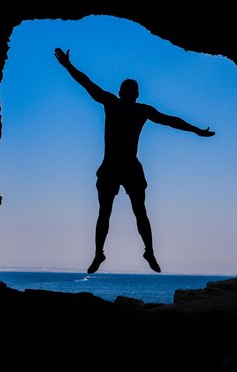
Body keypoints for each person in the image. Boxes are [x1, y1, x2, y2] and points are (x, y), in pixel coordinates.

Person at [54, 48, 215, 274]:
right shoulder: (127, 106)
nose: (129, 93)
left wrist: (195, 130)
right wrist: (196, 130)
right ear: (127, 93)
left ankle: (140, 251)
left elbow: (171, 120)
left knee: (125, 212)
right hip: (118, 167)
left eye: (131, 91)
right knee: (124, 212)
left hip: (123, 167)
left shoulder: (122, 105)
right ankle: (111, 252)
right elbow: (86, 83)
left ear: (127, 93)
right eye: (129, 90)